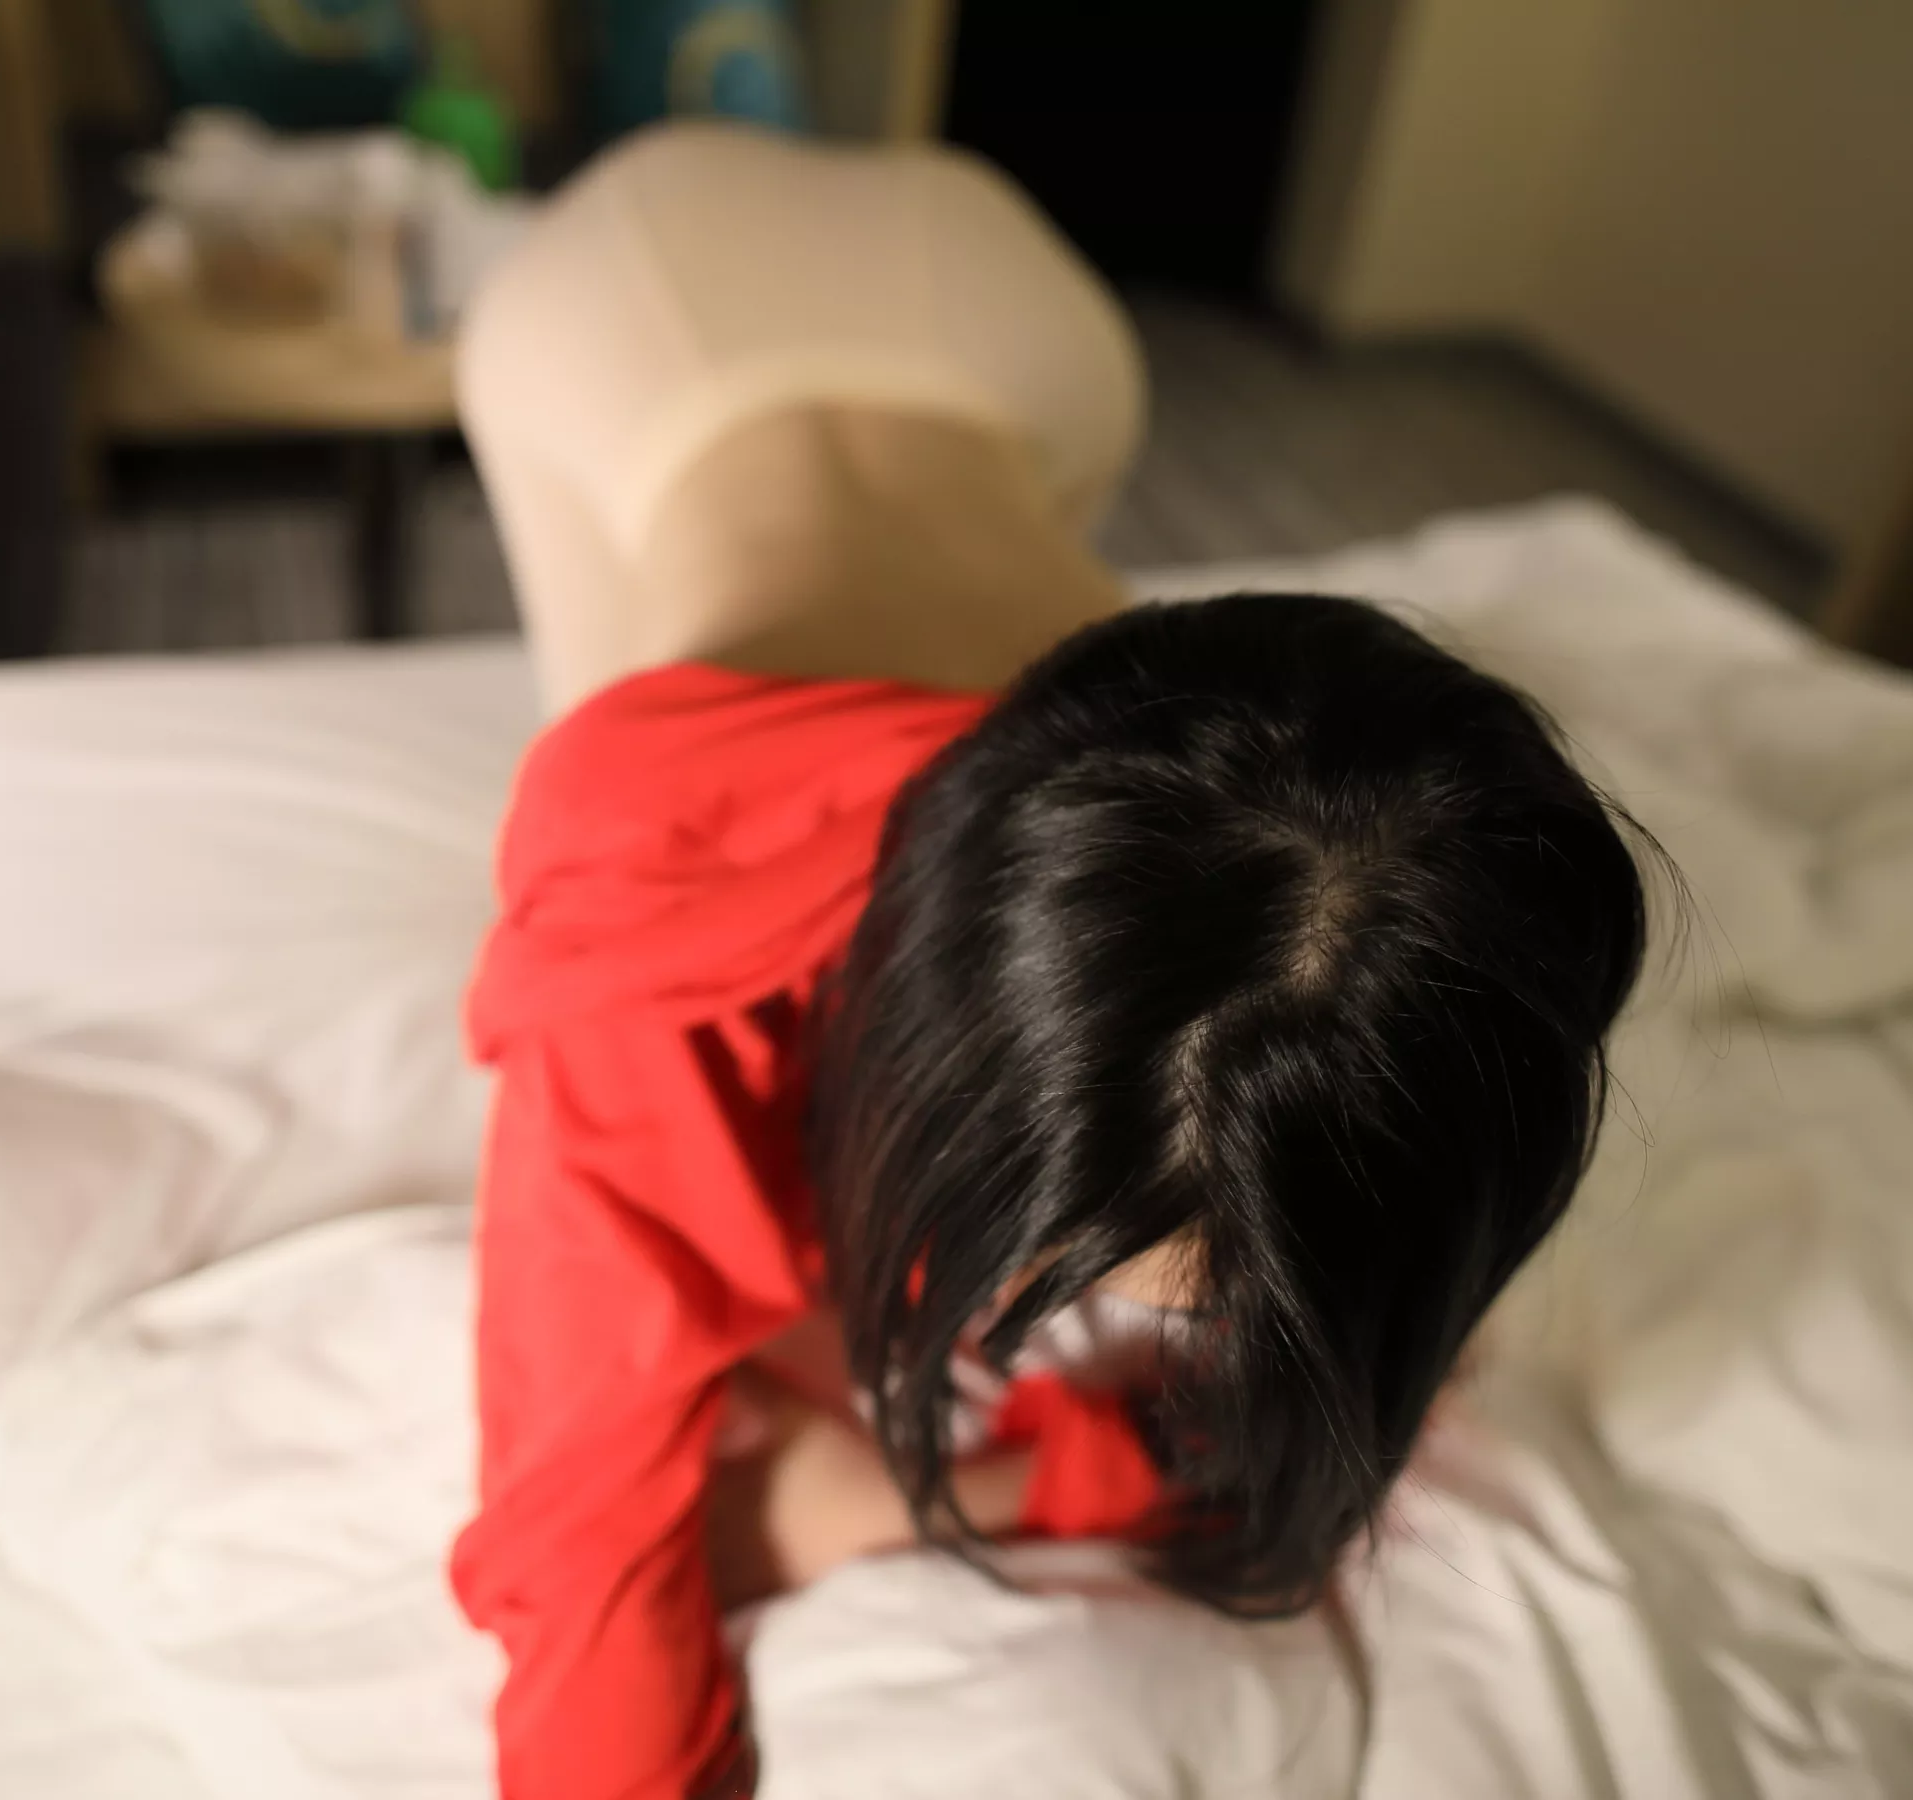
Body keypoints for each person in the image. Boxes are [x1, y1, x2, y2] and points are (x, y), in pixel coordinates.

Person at [449, 123, 1651, 1800]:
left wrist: (896, 1499)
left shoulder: (1427, 930)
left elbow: (1416, 1355)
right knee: (599, 711)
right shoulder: (658, 902)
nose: (1118, 1325)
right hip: (616, 312)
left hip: (1016, 315)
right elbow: (577, 1537)